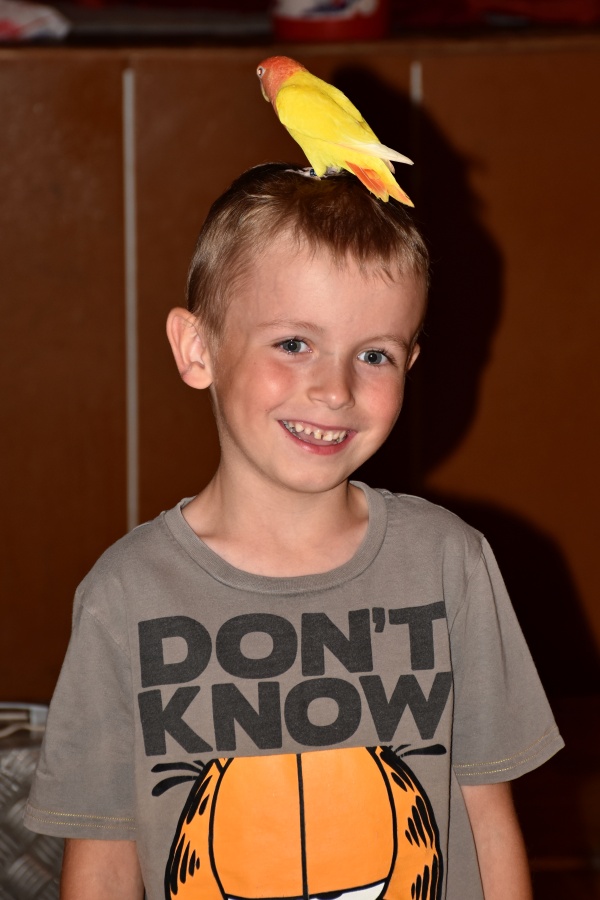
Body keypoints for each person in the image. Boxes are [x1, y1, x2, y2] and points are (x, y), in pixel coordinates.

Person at [25, 163, 563, 900]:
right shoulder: (126, 594)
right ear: (197, 349)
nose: (335, 390)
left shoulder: (449, 563)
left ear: (410, 363)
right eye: (293, 344)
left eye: (374, 355)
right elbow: (103, 856)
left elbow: (487, 819)